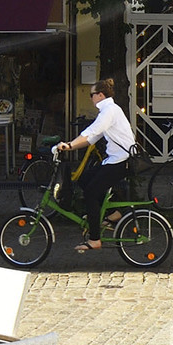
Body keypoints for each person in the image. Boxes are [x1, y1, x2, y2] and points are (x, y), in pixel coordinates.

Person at [55, 77, 135, 255]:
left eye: (92, 95)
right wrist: (72, 145)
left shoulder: (109, 111)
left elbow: (92, 132)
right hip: (115, 159)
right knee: (84, 180)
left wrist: (69, 145)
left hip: (120, 161)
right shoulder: (109, 110)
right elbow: (92, 138)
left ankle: (94, 239)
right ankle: (113, 213)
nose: (90, 98)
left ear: (100, 95)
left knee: (91, 191)